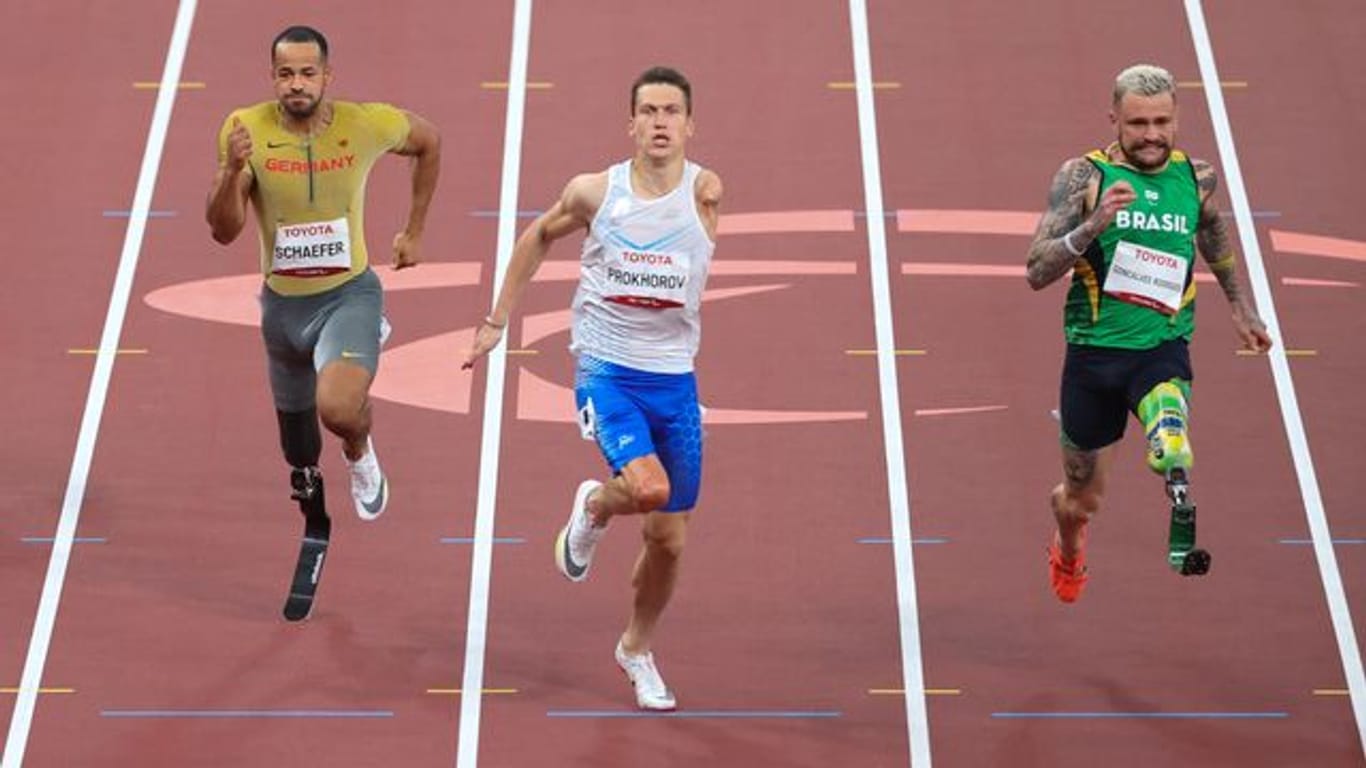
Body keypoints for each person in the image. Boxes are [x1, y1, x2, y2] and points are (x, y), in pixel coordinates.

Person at [462, 66, 721, 711]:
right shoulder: (594, 193)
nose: (660, 122)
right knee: (650, 489)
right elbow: (536, 236)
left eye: (671, 111)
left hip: (675, 380)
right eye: (648, 111)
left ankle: (636, 649)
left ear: (690, 125)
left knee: (668, 539)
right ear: (629, 122)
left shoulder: (707, 193)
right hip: (606, 371)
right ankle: (597, 508)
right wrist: (498, 319)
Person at [1025, 63, 1272, 604]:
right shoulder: (1083, 179)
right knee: (1080, 499)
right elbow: (1035, 271)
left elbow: (1210, 229)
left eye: (1162, 121)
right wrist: (1093, 226)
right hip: (1093, 360)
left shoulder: (1196, 177)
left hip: (1161, 348)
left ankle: (1170, 445)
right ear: (1114, 118)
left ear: (1177, 117)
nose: (1152, 135)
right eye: (1138, 123)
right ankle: (1068, 546)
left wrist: (1240, 304)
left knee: (1169, 417)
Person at [206, 25, 440, 524]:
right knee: (298, 449)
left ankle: (359, 449)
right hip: (282, 309)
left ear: (327, 76)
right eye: (286, 74)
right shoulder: (244, 129)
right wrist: (230, 171)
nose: (297, 84)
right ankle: (314, 479)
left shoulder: (365, 124)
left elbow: (428, 141)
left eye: (308, 73)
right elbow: (223, 231)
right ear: (272, 78)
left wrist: (413, 230)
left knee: (337, 409)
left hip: (347, 297)